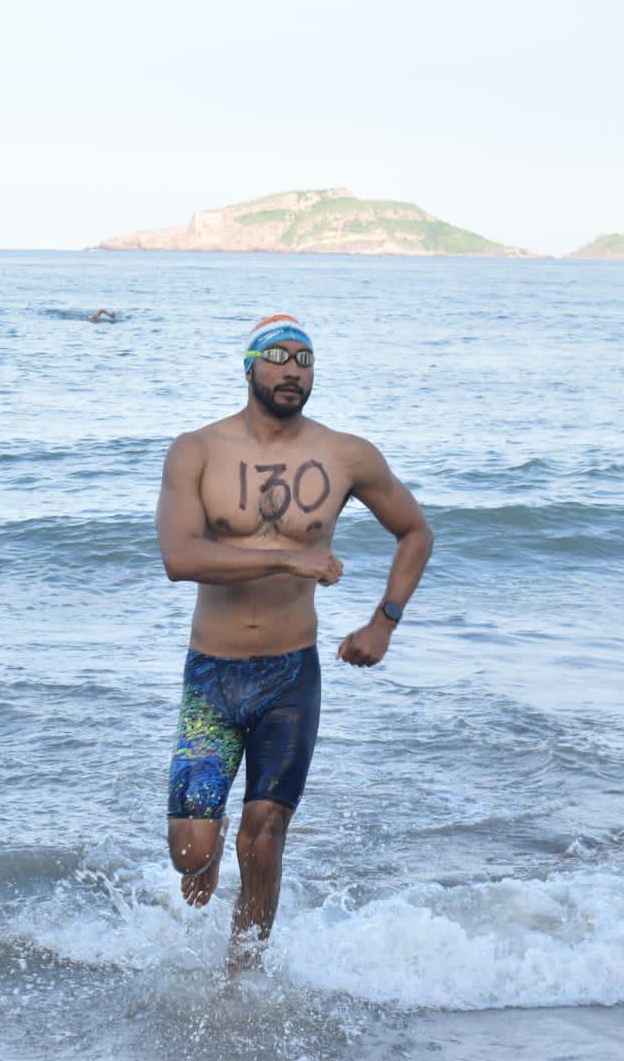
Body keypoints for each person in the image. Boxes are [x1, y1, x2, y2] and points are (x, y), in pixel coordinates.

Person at [155, 313, 433, 970]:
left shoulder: (346, 455)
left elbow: (416, 531)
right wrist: (288, 558)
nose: (293, 370)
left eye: (304, 359)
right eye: (278, 356)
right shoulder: (197, 450)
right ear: (249, 365)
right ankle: (207, 861)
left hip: (290, 677)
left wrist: (383, 621)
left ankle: (240, 979)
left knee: (265, 836)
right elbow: (179, 555)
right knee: (192, 854)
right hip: (212, 678)